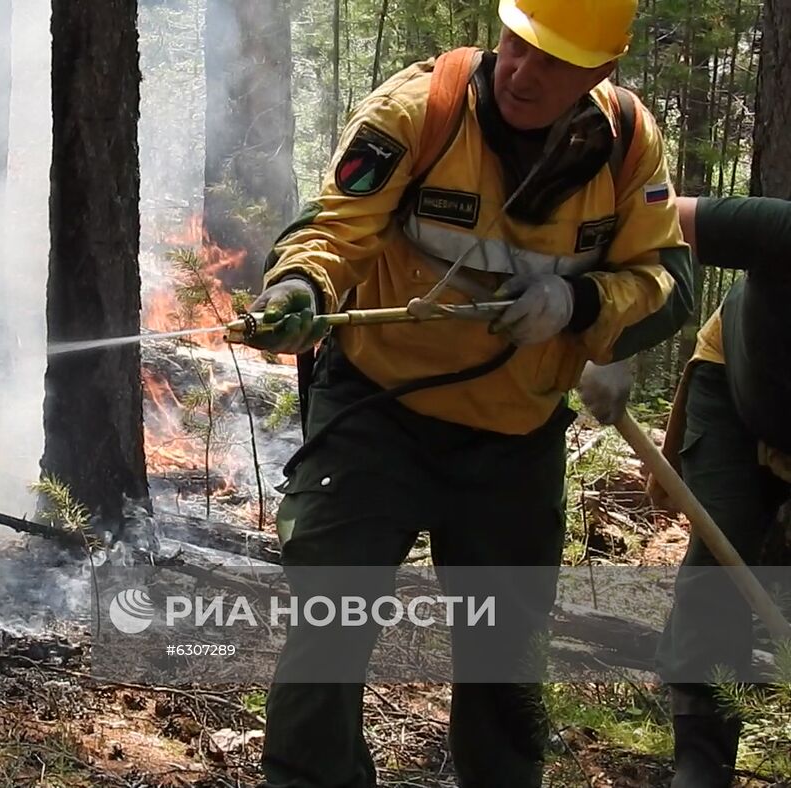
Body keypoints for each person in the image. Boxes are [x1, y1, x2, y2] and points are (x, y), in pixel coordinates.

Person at [239, 0, 695, 785]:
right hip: (376, 407)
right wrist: (299, 287)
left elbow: (666, 281)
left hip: (515, 435)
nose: (522, 72)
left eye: (553, 61)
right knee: (331, 614)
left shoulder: (626, 149)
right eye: (517, 46)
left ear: (601, 71)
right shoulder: (422, 110)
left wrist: (579, 307)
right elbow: (336, 227)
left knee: (506, 648)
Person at [580, 195, 791, 787]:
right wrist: (610, 338)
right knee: (722, 555)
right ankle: (703, 753)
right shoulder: (777, 230)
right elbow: (650, 222)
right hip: (736, 392)